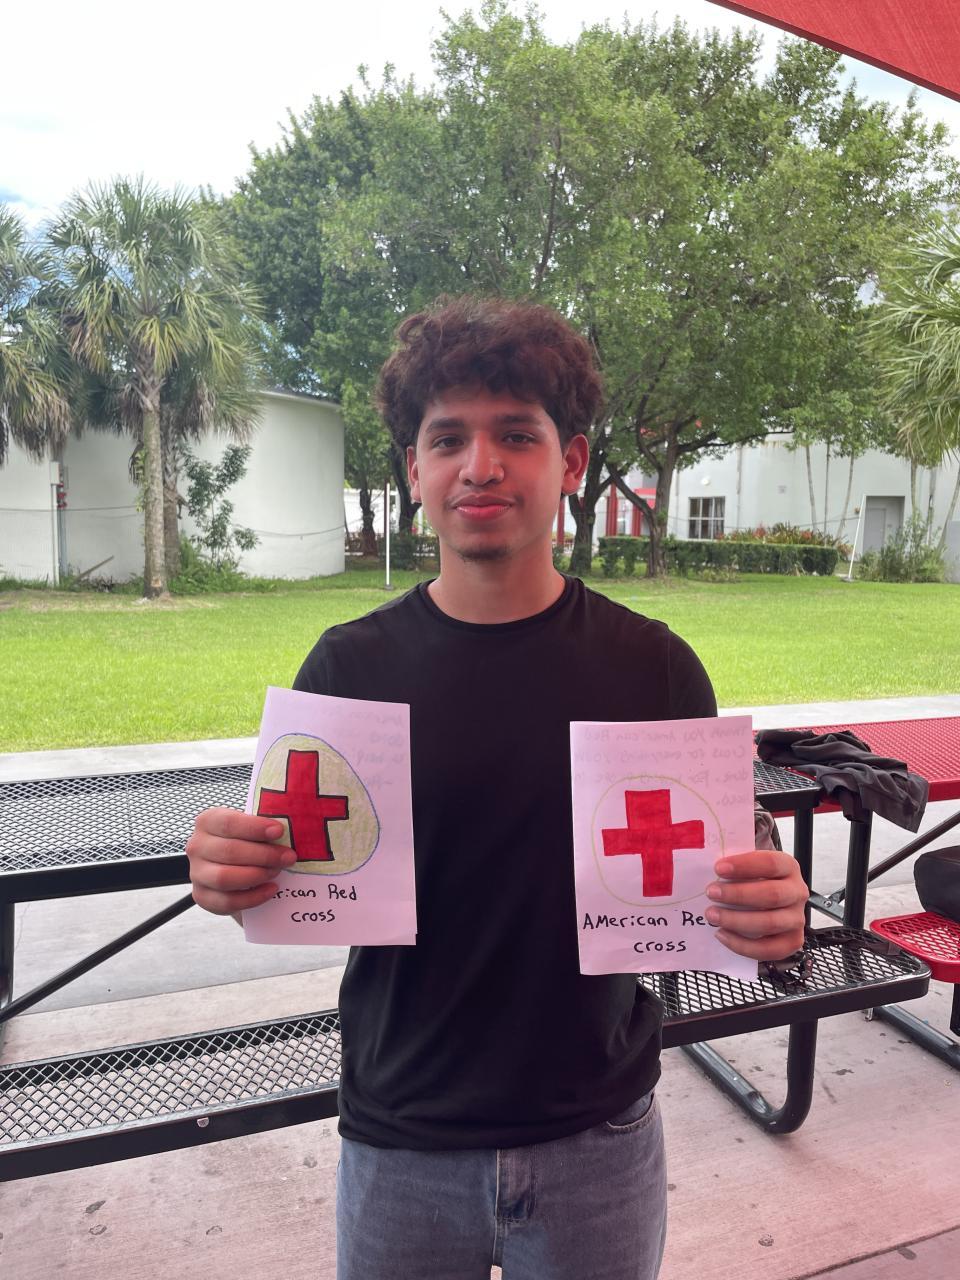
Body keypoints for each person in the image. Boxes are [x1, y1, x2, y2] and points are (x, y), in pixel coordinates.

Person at [186, 296, 808, 1280]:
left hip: (598, 1136)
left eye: (517, 434)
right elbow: (293, 875)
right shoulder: (347, 670)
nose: (481, 464)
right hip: (402, 1140)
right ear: (414, 469)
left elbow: (731, 867)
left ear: (571, 461)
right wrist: (231, 871)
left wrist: (768, 899)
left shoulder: (655, 670)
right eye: (449, 438)